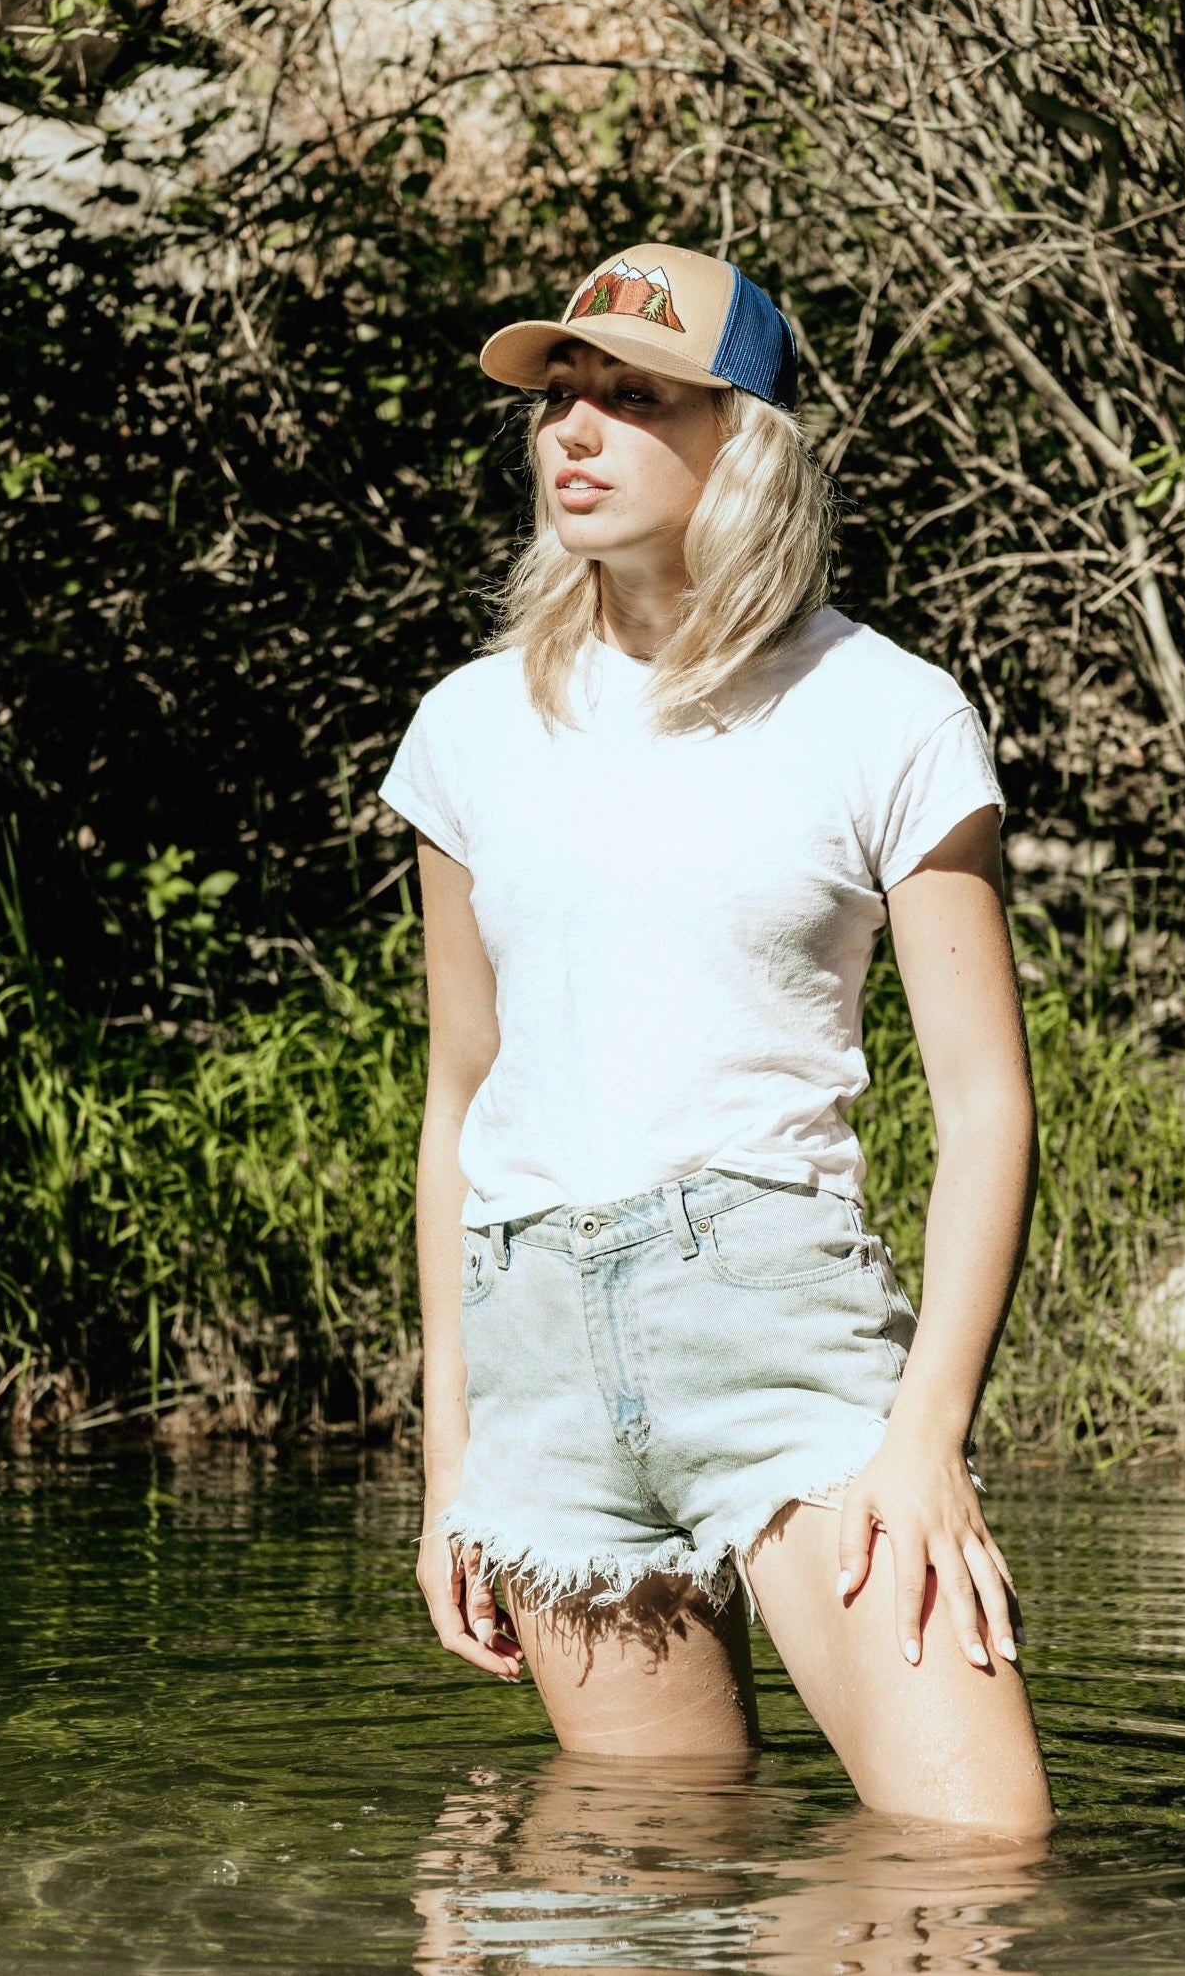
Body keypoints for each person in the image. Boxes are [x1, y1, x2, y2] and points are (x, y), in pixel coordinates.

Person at [377, 242, 1053, 1833]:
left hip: (778, 1334)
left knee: (976, 1863)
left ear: (740, 439)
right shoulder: (468, 727)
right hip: (538, 1347)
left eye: (633, 396)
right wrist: (453, 1460)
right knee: (643, 1869)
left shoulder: (885, 712)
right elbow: (459, 1095)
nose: (574, 429)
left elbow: (985, 1106)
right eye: (559, 396)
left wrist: (925, 1439)